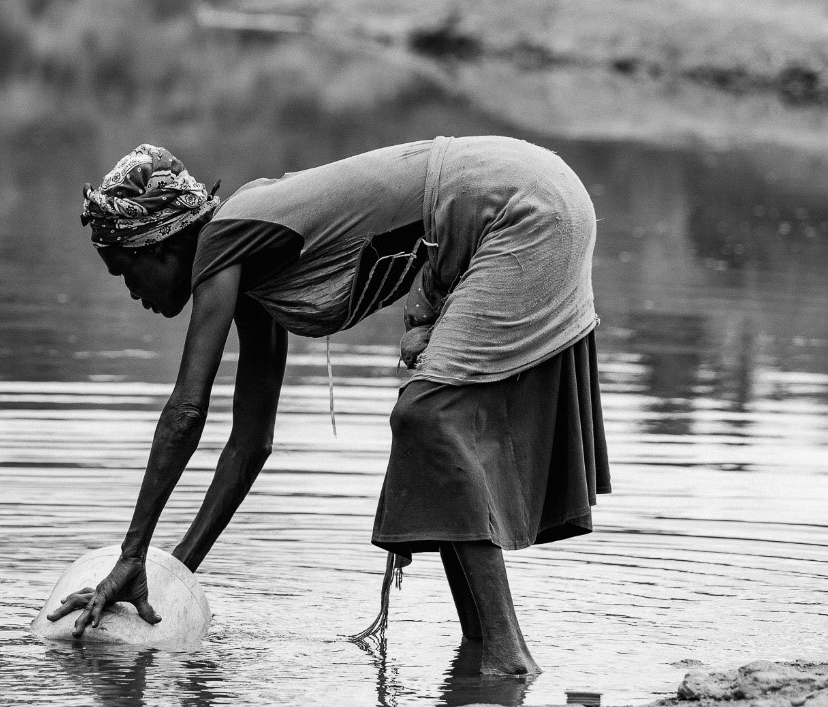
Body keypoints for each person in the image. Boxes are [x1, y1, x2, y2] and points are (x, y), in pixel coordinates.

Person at [47, 137, 610, 675]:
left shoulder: (223, 243)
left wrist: (132, 552)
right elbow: (248, 446)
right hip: (525, 194)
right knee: (434, 427)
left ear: (164, 247)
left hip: (521, 206)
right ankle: (481, 646)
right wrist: (171, 575)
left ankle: (507, 656)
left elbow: (186, 411)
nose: (131, 292)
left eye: (126, 271)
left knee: (428, 419)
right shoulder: (250, 264)